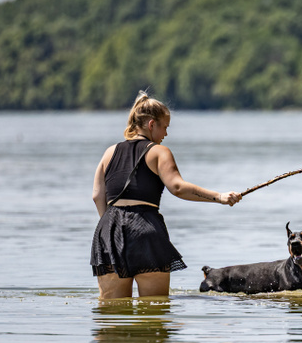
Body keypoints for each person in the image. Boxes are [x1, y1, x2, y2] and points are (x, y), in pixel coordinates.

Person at [91, 92, 241, 298]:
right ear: (151, 124)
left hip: (108, 231)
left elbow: (97, 195)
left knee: (112, 313)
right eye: (165, 127)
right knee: (155, 309)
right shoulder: (159, 152)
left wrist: (112, 229)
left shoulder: (109, 152)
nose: (166, 134)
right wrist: (219, 197)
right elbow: (177, 187)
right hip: (145, 230)